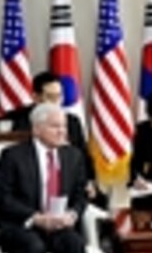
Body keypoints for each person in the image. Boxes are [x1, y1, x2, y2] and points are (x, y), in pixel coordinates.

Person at [0, 103, 89, 253]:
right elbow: (0, 197)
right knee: (34, 247)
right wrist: (36, 218)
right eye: (55, 126)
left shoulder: (73, 156)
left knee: (75, 244)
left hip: (58, 224)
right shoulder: (13, 156)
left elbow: (80, 194)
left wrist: (72, 214)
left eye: (64, 126)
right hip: (23, 224)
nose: (62, 132)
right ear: (36, 129)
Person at [6, 70, 107, 208]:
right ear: (36, 97)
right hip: (35, 184)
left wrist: (89, 181)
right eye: (50, 97)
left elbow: (84, 157)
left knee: (100, 199)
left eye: (59, 96)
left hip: (70, 181)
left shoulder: (71, 122)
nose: (56, 102)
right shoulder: (21, 122)